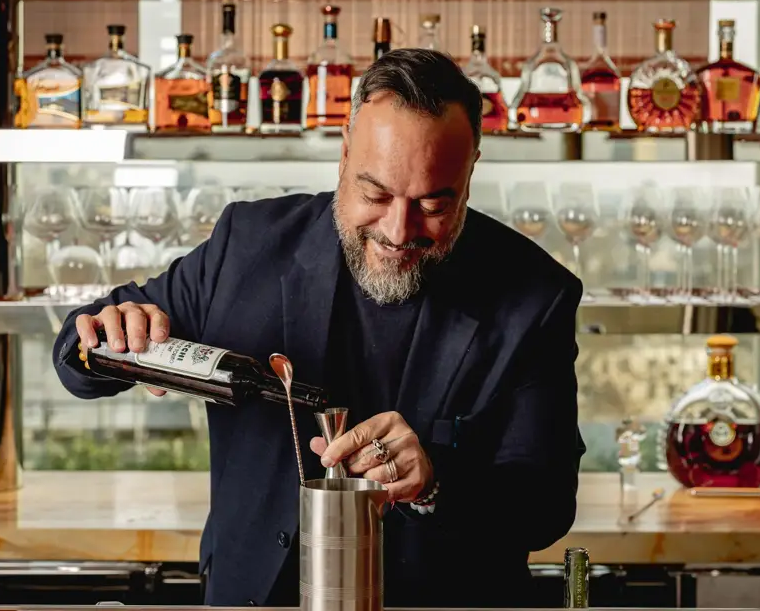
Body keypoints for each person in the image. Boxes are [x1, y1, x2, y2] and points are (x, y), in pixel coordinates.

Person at [53, 48, 584, 609]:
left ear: (470, 170)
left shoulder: (533, 294)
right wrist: (107, 334)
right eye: (375, 194)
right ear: (344, 154)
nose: (398, 230)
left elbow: (545, 503)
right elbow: (76, 355)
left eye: (432, 204)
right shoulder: (247, 244)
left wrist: (435, 482)